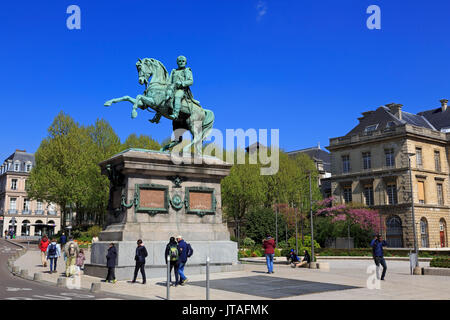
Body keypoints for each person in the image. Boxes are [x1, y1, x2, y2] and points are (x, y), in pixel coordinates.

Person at [168, 55, 199, 120]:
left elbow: (191, 81)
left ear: (185, 62)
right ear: (177, 62)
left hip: (182, 90)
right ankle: (158, 116)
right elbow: (169, 81)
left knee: (177, 96)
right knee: (164, 96)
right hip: (172, 88)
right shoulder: (174, 71)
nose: (181, 62)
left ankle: (175, 114)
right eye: (179, 61)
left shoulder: (187, 70)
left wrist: (182, 83)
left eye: (183, 61)